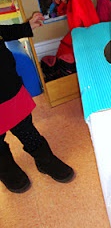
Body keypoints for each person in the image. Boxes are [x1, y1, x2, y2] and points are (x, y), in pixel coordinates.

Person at [0, 11, 74, 194]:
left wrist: (26, 27)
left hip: (8, 88)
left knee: (26, 129)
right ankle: (7, 170)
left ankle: (45, 160)